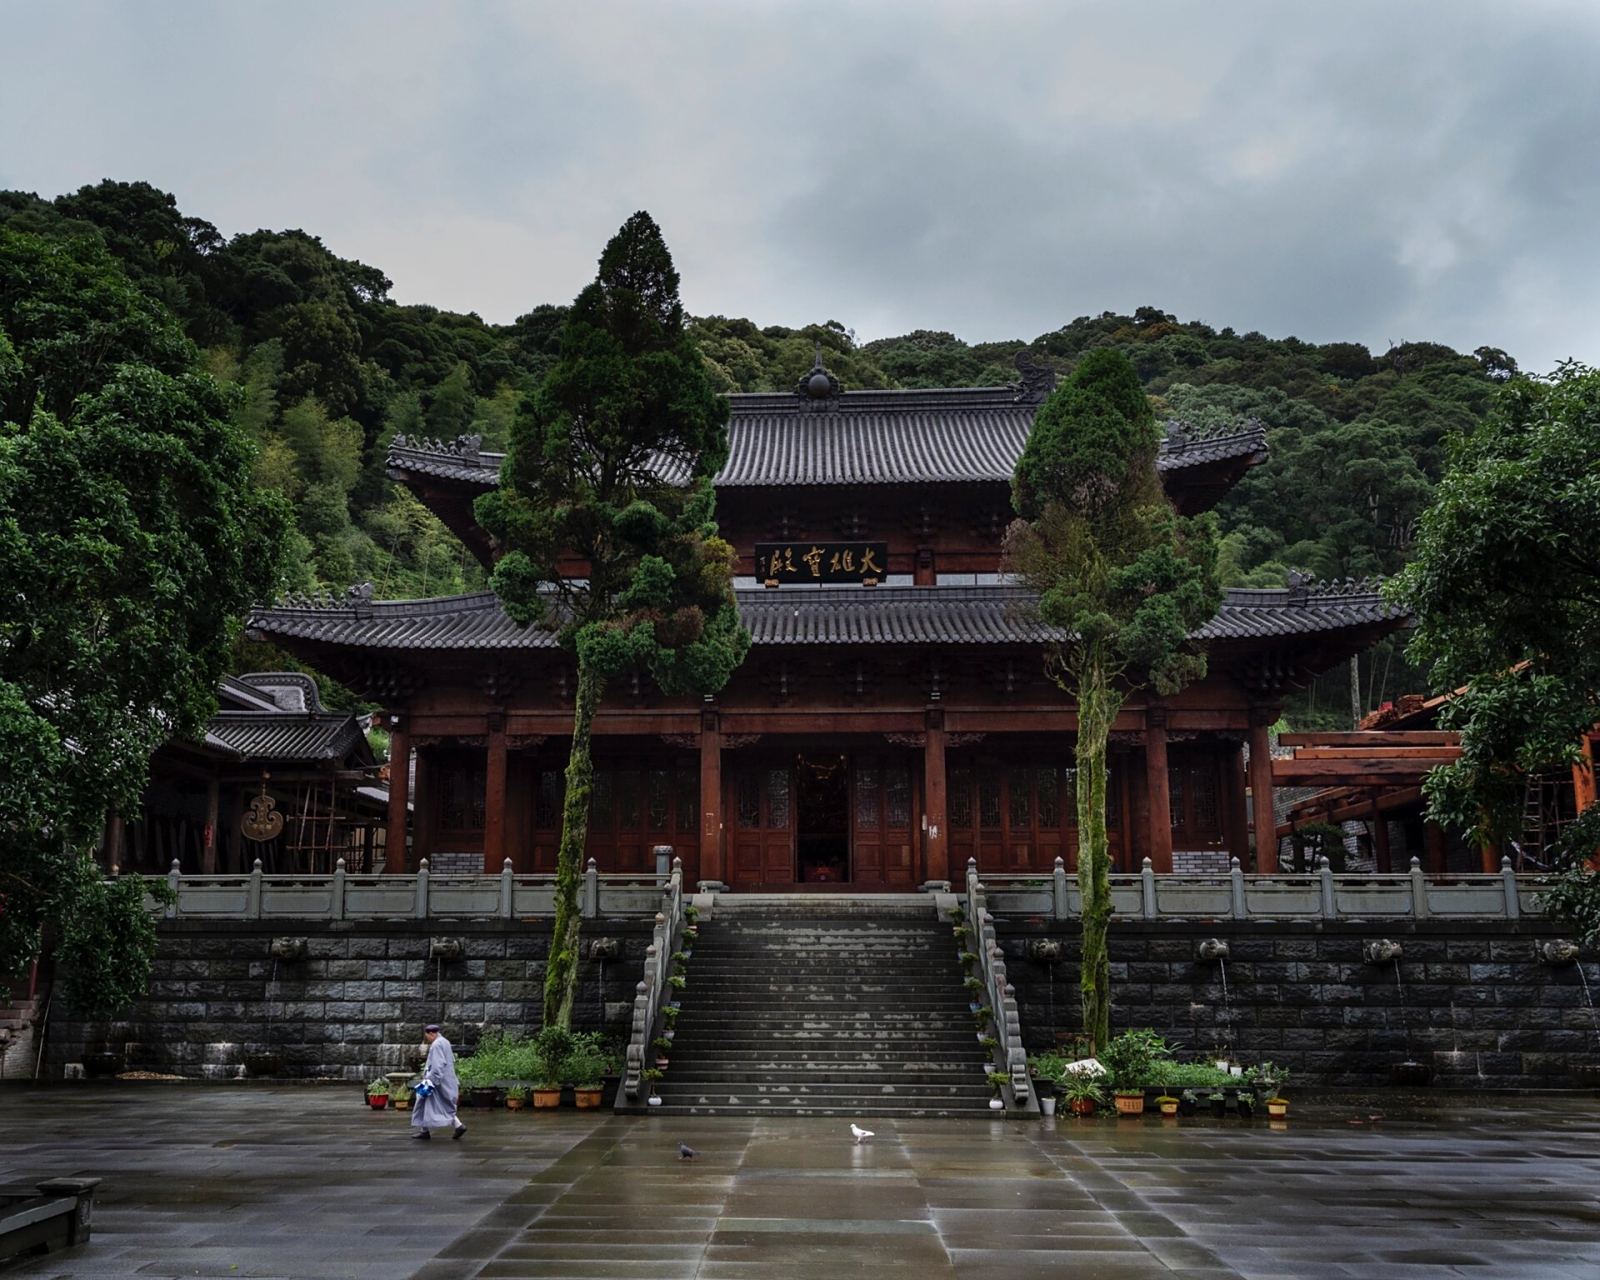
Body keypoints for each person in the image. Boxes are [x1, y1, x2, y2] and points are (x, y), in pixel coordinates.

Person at [412, 1023, 466, 1140]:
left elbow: (437, 1066)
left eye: (427, 1036)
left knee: (421, 1099)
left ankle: (425, 1131)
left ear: (431, 1034)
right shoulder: (445, 1042)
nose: (427, 1039)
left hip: (434, 1081)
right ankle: (457, 1126)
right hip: (446, 1080)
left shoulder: (436, 1045)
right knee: (443, 1105)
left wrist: (430, 1082)